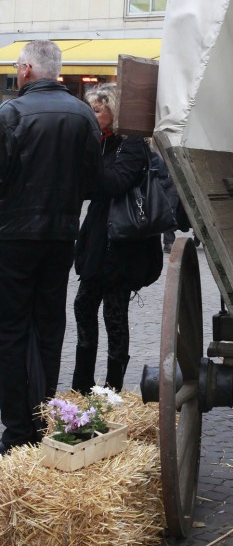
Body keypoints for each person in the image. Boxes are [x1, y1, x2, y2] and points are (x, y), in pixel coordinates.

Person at [0, 40, 102, 454]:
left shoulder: (11, 113)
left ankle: (17, 428)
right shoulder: (83, 114)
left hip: (13, 235)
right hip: (60, 235)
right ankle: (41, 417)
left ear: (26, 69)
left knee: (10, 329)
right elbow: (93, 181)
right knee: (49, 326)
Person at [72, 84, 163, 394]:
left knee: (114, 314)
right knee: (84, 305)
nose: (92, 115)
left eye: (96, 110)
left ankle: (112, 388)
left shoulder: (132, 144)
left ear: (113, 110)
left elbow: (115, 182)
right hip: (100, 237)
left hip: (122, 243)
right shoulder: (103, 142)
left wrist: (86, 165)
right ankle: (82, 386)